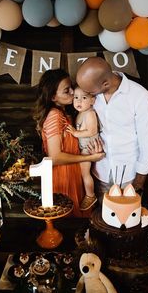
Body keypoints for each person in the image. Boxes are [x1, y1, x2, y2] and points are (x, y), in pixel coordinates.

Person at [76, 56, 148, 203]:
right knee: (103, 217)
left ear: (105, 83)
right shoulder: (93, 95)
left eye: (90, 92)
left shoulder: (139, 95)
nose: (86, 95)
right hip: (101, 170)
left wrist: (139, 181)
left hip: (130, 174)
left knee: (128, 220)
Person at [33, 68, 105, 217]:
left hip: (73, 172)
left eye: (71, 87)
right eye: (67, 91)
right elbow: (56, 157)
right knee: (68, 219)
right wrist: (90, 158)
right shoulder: (54, 116)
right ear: (53, 97)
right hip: (63, 175)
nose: (73, 92)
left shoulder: (66, 113)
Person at [66, 86, 100, 211]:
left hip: (88, 148)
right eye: (76, 97)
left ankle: (90, 195)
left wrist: (75, 133)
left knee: (85, 173)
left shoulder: (90, 113)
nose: (79, 101)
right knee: (85, 172)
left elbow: (92, 131)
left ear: (93, 100)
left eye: (84, 98)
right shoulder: (81, 113)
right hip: (84, 147)